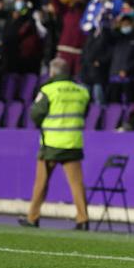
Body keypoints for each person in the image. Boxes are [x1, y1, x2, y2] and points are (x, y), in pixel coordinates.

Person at [17, 58, 90, 230]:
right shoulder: (82, 91)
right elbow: (84, 113)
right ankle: (83, 219)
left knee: (41, 183)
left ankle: (33, 217)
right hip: (73, 142)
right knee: (77, 184)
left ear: (52, 72)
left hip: (51, 143)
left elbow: (36, 113)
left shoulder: (48, 90)